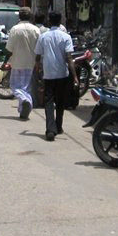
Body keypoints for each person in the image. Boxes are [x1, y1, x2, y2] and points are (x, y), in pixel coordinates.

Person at [34, 11, 79, 141]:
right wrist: (75, 76)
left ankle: (50, 129)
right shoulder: (66, 37)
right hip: (62, 74)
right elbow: (69, 58)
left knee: (48, 102)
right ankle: (58, 127)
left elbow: (37, 56)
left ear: (49, 21)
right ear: (60, 21)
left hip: (48, 74)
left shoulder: (43, 37)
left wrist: (37, 70)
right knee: (60, 101)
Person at [6, 7, 41, 120]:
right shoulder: (36, 30)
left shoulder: (15, 29)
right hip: (31, 63)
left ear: (19, 17)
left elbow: (9, 49)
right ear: (30, 17)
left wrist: (5, 62)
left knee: (15, 86)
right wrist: (37, 62)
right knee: (26, 88)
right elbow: (39, 50)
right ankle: (23, 112)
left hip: (17, 63)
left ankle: (26, 100)